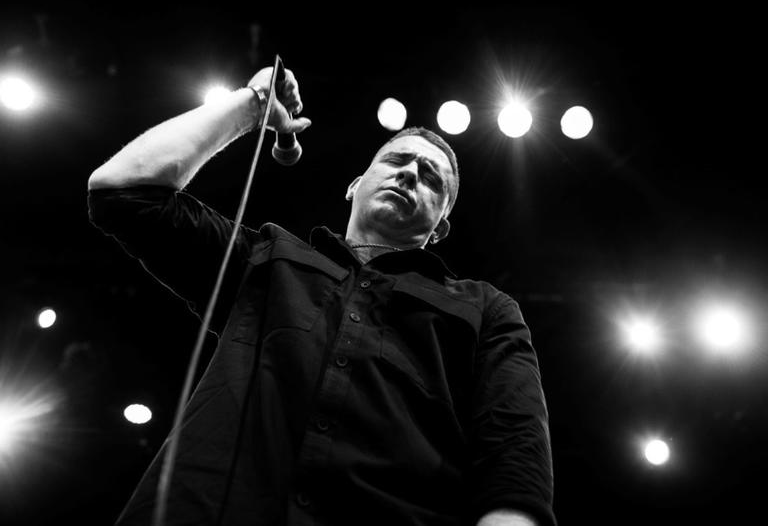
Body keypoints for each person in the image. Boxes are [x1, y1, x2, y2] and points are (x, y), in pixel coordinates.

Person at [87, 64, 556, 526]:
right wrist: (250, 108)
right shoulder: (267, 257)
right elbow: (124, 191)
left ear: (439, 230)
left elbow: (514, 451)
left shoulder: (486, 308)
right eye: (396, 161)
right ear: (354, 186)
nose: (411, 174)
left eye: (432, 179)